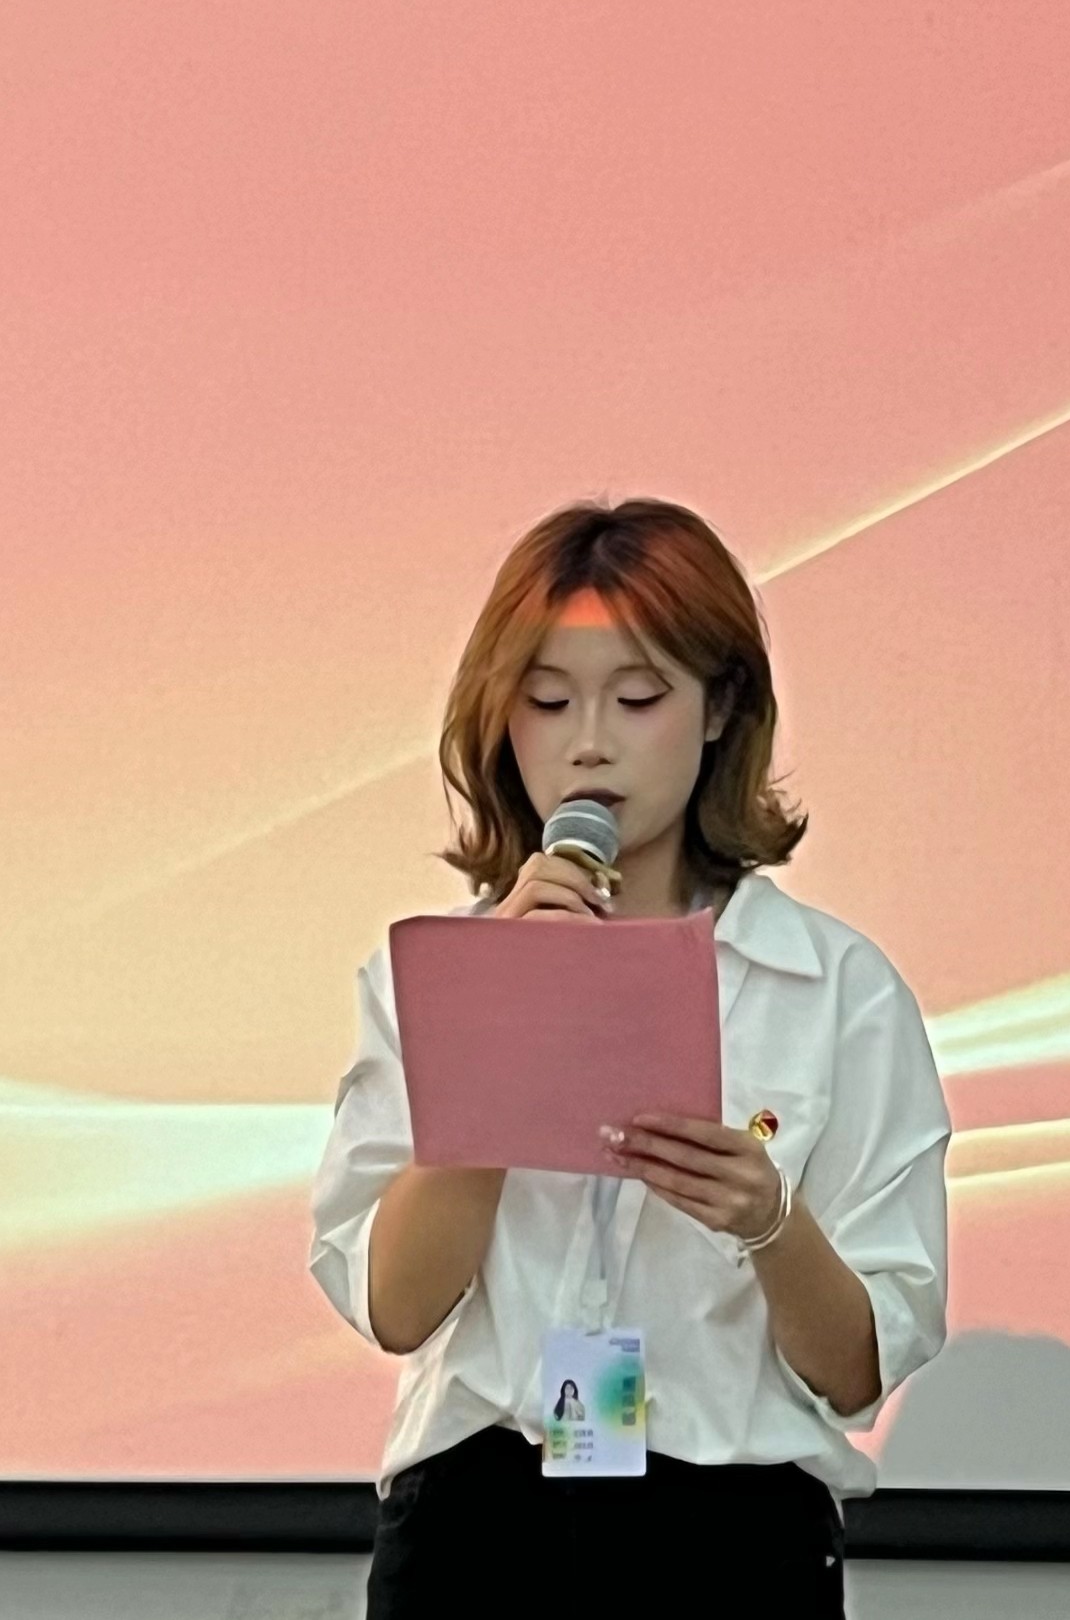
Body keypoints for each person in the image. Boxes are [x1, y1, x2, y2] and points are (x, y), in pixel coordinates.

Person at [310, 497, 953, 1619]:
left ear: (720, 710)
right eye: (547, 700)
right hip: (478, 1531)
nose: (589, 742)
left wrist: (768, 1219)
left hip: (730, 1542)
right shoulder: (436, 976)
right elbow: (396, 1308)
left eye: (640, 698)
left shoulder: (835, 991)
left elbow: (856, 1367)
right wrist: (495, 1031)